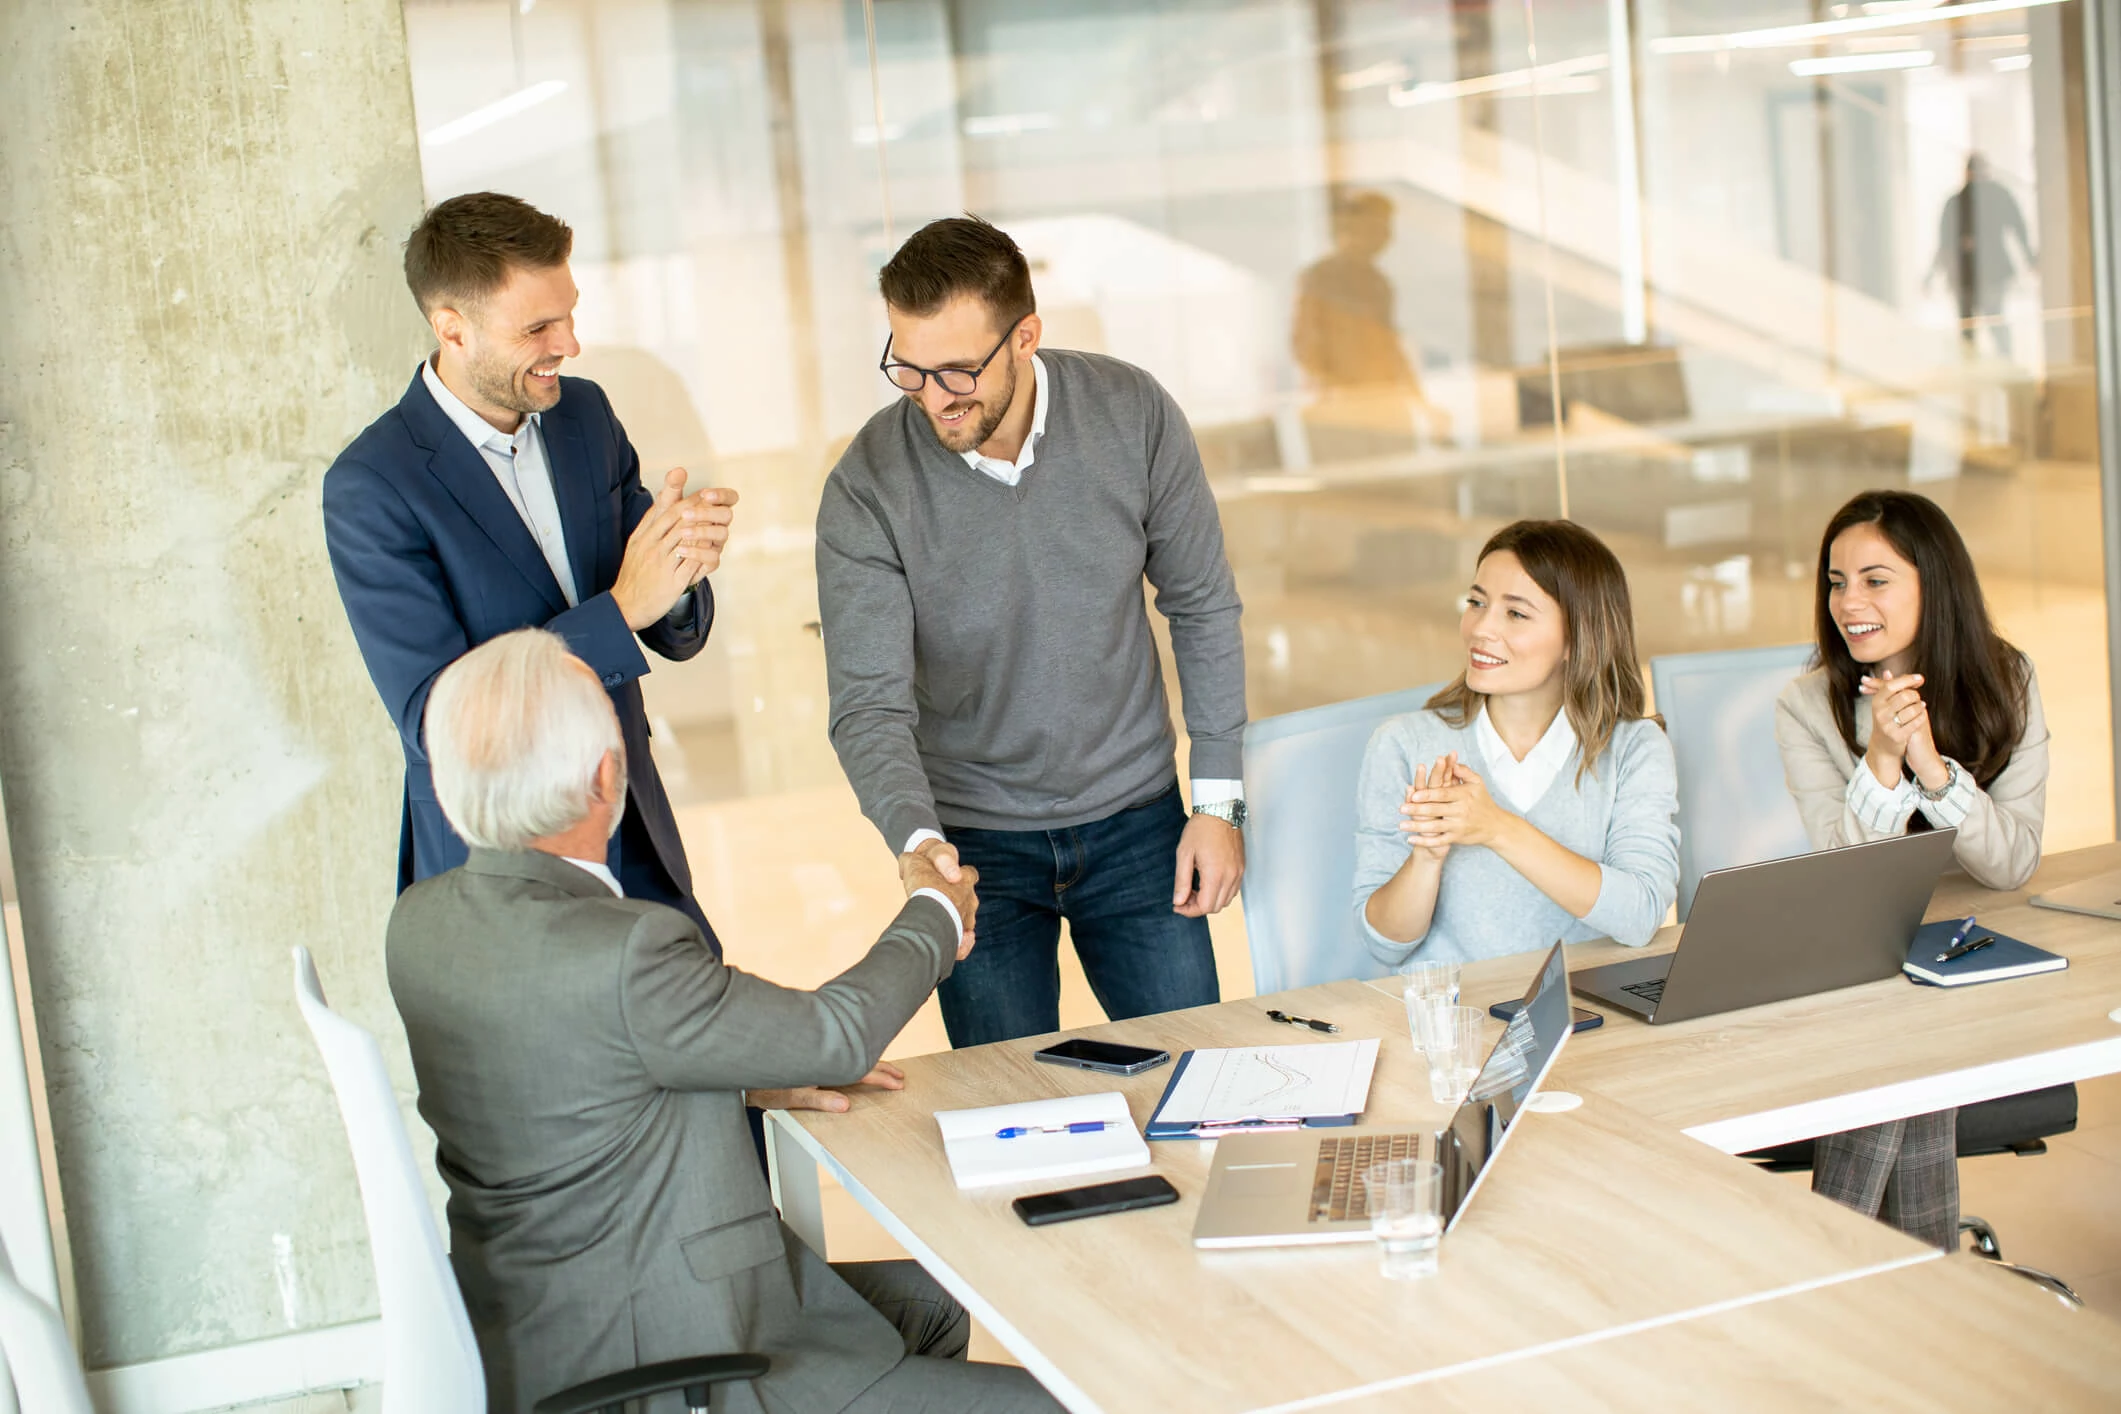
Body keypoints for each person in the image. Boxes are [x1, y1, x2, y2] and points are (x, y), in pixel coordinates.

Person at [388, 629, 1060, 1414]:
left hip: (546, 1328)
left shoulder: (421, 923)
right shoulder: (623, 950)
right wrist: (935, 913)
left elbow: (557, 1067)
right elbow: (837, 1034)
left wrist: (738, 1075)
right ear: (606, 776)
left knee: (933, 1303)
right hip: (678, 1356)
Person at [816, 215, 1247, 1048]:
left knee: (1195, 1074)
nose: (932, 397)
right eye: (907, 367)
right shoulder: (867, 485)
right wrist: (918, 844)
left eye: (957, 370)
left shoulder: (1131, 412)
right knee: (1004, 1101)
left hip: (1139, 822)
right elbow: (868, 705)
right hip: (973, 849)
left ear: (1024, 337)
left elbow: (1200, 603)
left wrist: (1218, 802)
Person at [323, 192, 737, 946]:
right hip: (500, 877)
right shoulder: (372, 486)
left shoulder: (586, 416)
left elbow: (668, 625)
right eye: (538, 327)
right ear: (452, 327)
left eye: (570, 314)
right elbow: (439, 722)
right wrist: (622, 611)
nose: (569, 344)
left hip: (636, 837)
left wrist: (678, 571)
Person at [1775, 489, 2048, 1250]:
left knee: (1898, 1052)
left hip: (1976, 966)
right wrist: (1881, 760)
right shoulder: (1806, 705)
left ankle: (1837, 1264)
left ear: (1935, 583)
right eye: (1836, 582)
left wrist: (1933, 769)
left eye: (1875, 579)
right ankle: (1915, 1271)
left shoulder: (2008, 680)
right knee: (1901, 1050)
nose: (1847, 602)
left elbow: (2011, 865)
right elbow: (1845, 874)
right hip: (1871, 974)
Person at [1353, 521, 1679, 966]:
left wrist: (1497, 828)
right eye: (1476, 603)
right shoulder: (1404, 744)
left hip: (1584, 1003)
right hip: (1456, 1007)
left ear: (1577, 637)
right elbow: (1385, 945)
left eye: (1516, 614)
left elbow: (1640, 915)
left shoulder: (1633, 750)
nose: (1481, 629)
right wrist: (1426, 858)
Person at [1928, 154, 2035, 359]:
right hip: (1965, 275)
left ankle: (2003, 361)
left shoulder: (1994, 197)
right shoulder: (1958, 202)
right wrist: (1931, 275)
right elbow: (1944, 244)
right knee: (1972, 326)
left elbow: (2018, 227)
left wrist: (2030, 258)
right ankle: (1984, 362)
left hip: (1989, 274)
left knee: (1992, 321)